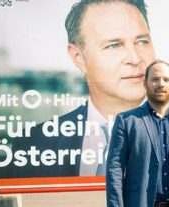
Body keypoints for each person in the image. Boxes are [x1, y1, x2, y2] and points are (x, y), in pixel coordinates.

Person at [12, 0, 155, 177]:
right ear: (78, 57)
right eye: (114, 45)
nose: (134, 58)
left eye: (142, 41)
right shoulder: (33, 143)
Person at [106, 60, 169, 207]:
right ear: (145, 83)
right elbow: (115, 170)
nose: (161, 84)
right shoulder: (126, 121)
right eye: (155, 79)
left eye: (166, 79)